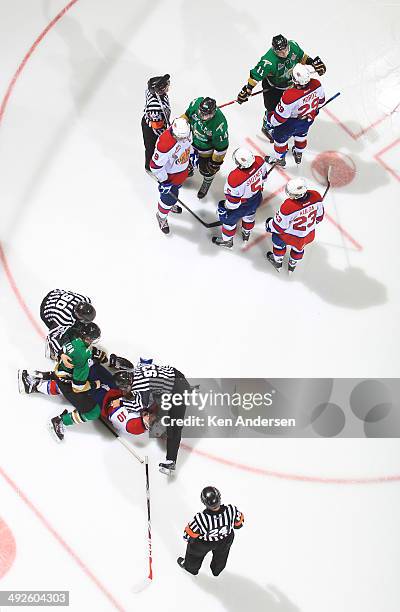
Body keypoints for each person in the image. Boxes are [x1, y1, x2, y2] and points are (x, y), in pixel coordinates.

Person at [237, 34, 326, 138]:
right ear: (274, 50)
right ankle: (267, 124)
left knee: (287, 107)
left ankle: (288, 123)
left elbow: (302, 57)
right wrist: (248, 89)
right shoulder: (268, 61)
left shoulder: (293, 45)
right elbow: (256, 76)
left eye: (285, 49)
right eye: (280, 52)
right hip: (273, 87)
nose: (284, 53)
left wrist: (313, 63)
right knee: (272, 109)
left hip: (290, 83)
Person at [264, 63, 325, 166]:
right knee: (301, 135)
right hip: (308, 120)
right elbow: (321, 102)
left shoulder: (290, 96)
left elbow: (279, 119)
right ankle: (298, 153)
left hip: (290, 124)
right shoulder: (317, 84)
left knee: (280, 140)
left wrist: (269, 118)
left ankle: (279, 159)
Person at [177, 487, 244, 576]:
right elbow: (239, 524)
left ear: (204, 503)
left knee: (194, 554)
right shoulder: (231, 510)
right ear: (219, 497)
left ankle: (191, 569)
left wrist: (190, 541)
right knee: (222, 555)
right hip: (225, 539)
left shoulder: (201, 518)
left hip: (204, 543)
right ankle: (217, 570)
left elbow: (188, 535)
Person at [265, 176, 324, 274]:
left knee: (277, 240)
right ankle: (292, 264)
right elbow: (319, 217)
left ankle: (277, 261)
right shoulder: (316, 196)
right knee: (299, 248)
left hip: (288, 236)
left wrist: (269, 226)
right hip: (307, 235)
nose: (290, 195)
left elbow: (279, 227)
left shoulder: (289, 206)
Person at [212, 147, 269, 248]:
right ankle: (246, 232)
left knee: (228, 222)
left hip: (242, 205)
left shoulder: (235, 178)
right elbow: (264, 178)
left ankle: (227, 242)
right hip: (256, 198)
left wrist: (224, 208)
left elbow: (233, 204)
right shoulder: (259, 161)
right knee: (250, 216)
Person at [150, 117, 192, 235]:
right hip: (170, 177)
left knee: (176, 192)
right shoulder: (165, 143)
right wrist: (164, 181)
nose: (183, 139)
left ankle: (171, 204)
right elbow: (155, 166)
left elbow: (189, 145)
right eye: (180, 137)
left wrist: (192, 156)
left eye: (185, 136)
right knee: (166, 200)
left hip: (181, 171)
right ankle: (162, 216)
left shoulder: (187, 132)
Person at [182, 97, 229, 199]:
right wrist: (179, 125)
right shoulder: (195, 104)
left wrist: (215, 162)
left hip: (206, 150)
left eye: (206, 114)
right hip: (190, 141)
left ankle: (207, 182)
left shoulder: (219, 123)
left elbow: (221, 146)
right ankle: (188, 170)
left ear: (213, 112)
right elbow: (186, 116)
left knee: (206, 170)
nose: (202, 116)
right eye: (201, 113)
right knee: (183, 160)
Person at [40, 289, 95, 359]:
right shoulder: (64, 319)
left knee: (75, 326)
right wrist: (61, 353)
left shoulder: (84, 299)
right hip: (46, 309)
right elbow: (52, 336)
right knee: (62, 332)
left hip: (55, 294)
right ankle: (51, 347)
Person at [142, 74, 171, 171]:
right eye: (166, 86)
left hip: (157, 121)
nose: (168, 86)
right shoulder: (155, 107)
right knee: (151, 146)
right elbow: (157, 129)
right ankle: (149, 167)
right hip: (151, 128)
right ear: (159, 90)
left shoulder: (157, 94)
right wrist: (169, 135)